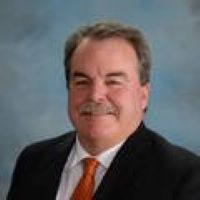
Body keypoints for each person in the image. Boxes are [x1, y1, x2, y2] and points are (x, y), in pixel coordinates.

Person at [7, 20, 200, 200]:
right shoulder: (33, 161)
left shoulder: (184, 176)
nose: (95, 95)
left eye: (113, 81)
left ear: (143, 95)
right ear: (68, 88)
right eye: (82, 81)